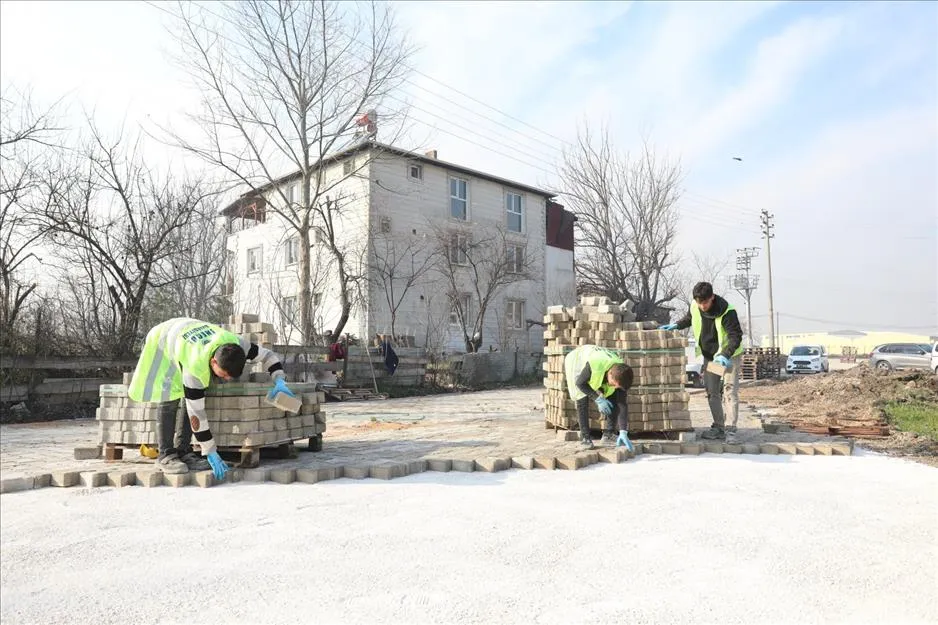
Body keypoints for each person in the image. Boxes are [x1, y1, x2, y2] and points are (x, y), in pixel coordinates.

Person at [127, 318, 294, 479]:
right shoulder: (195, 367)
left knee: (188, 397)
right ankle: (165, 455)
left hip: (188, 330)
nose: (226, 379)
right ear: (214, 361)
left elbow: (268, 356)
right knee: (170, 396)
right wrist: (210, 451)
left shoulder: (236, 344)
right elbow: (196, 415)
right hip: (163, 339)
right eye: (223, 374)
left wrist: (279, 379)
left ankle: (184, 451)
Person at [661, 281, 743, 440]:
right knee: (712, 391)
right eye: (699, 303)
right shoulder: (695, 305)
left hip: (728, 357)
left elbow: (735, 336)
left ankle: (731, 430)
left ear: (712, 297)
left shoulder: (727, 311)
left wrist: (725, 354)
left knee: (729, 390)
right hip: (711, 358)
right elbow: (689, 319)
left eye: (705, 302)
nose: (702, 306)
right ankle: (719, 427)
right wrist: (676, 325)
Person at [563, 344, 634, 451]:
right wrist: (597, 398)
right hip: (577, 360)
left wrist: (623, 431)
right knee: (581, 397)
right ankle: (585, 438)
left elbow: (622, 404)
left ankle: (608, 434)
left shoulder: (620, 373)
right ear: (610, 374)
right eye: (614, 384)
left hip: (601, 366)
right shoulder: (596, 365)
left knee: (614, 395)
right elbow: (581, 384)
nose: (615, 386)